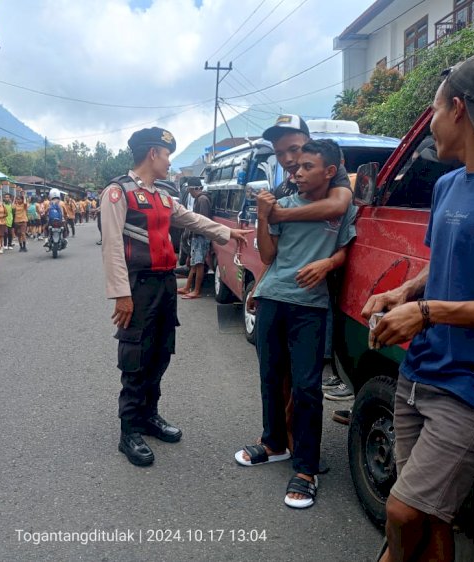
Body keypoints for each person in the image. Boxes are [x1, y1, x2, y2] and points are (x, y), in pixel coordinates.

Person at [364, 52, 474, 562]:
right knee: (432, 516)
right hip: (422, 367)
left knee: (404, 511)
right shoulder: (449, 184)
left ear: (456, 109)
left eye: (430, 112)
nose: (430, 127)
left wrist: (430, 313)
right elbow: (446, 260)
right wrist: (404, 292)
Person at [101, 127, 252, 466]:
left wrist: (229, 233)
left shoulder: (164, 194)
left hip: (166, 284)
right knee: (136, 355)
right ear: (153, 154)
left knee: (160, 352)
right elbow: (111, 246)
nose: (170, 161)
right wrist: (121, 295)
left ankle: (149, 415)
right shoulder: (117, 193)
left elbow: (193, 219)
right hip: (138, 286)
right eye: (167, 154)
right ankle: (129, 429)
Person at [235, 140, 356, 510]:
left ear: (330, 171)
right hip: (274, 298)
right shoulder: (283, 204)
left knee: (307, 388)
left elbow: (346, 247)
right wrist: (262, 216)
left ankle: (305, 469)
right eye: (295, 168)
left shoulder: (340, 207)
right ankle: (273, 444)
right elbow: (269, 256)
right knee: (270, 376)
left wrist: (328, 264)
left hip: (310, 306)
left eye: (307, 167)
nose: (297, 172)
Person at [177, 178, 211, 299]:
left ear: (194, 189)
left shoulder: (202, 199)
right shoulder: (199, 199)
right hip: (197, 236)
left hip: (200, 237)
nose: (189, 193)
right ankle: (188, 287)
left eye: (190, 190)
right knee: (193, 264)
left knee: (198, 263)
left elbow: (202, 221)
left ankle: (196, 290)